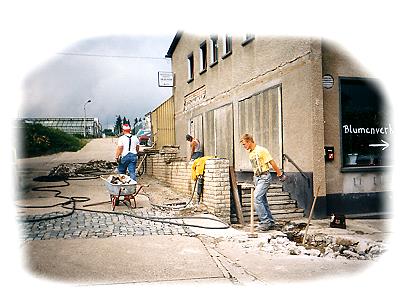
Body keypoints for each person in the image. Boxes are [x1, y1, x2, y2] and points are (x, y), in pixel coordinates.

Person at [240, 133, 287, 231]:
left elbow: (272, 162)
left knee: (257, 198)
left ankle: (264, 222)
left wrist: (279, 174)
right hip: (257, 178)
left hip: (265, 177)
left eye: (244, 144)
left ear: (249, 141)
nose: (244, 146)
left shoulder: (261, 150)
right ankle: (270, 222)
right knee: (263, 200)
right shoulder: (251, 153)